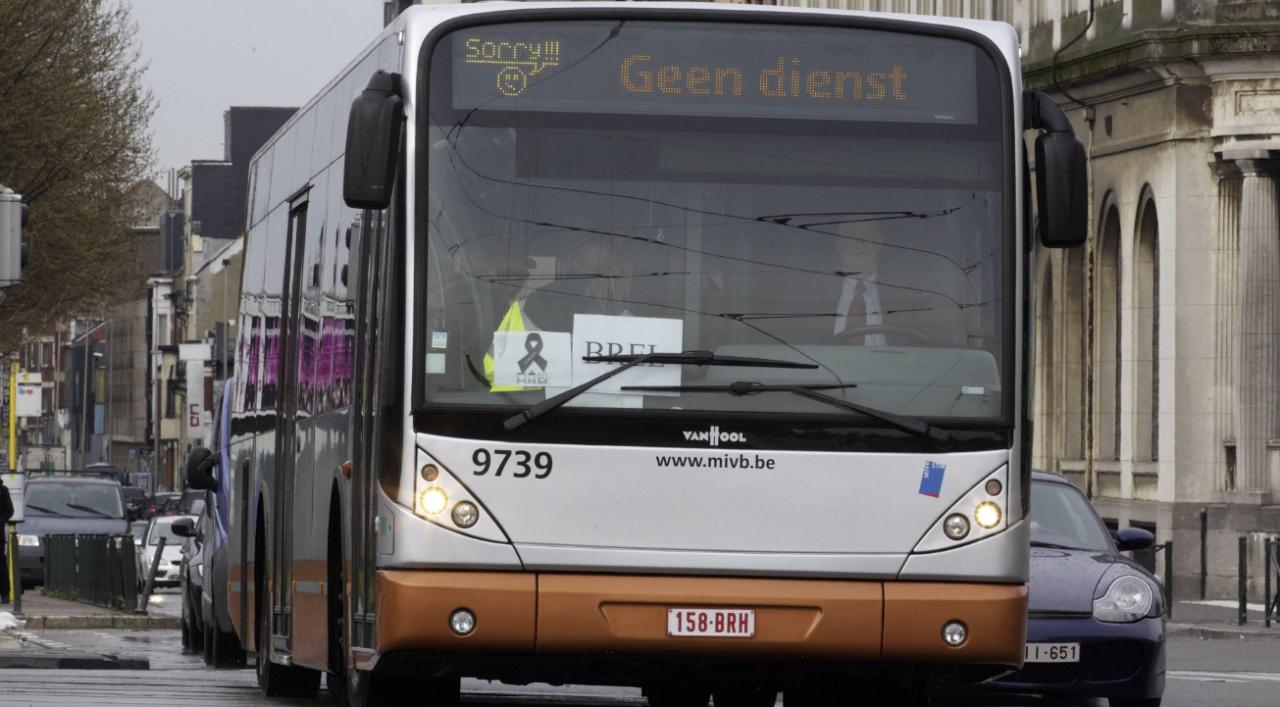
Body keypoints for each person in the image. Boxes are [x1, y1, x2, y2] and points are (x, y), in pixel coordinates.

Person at [831, 220, 889, 346]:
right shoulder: (810, 294)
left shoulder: (908, 294)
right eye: (851, 237)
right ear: (838, 243)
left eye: (867, 236)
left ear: (880, 242)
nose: (860, 245)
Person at [0, 475, 13, 604]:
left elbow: (9, 510)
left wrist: (1, 520)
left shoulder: (2, 490)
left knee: (1, 564)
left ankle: (4, 594)